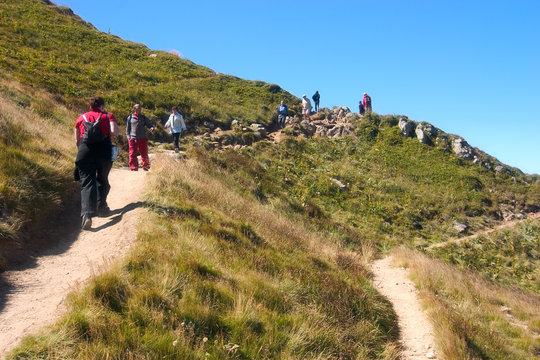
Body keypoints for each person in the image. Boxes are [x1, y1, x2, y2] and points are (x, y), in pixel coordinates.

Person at [74, 96, 119, 229]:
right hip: (103, 151)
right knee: (102, 179)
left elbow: (77, 140)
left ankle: (86, 215)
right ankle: (102, 206)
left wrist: (82, 151)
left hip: (85, 151)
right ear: (102, 106)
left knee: (87, 182)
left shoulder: (82, 118)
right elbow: (114, 132)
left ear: (90, 106)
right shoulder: (108, 115)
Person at [126, 103, 154, 171]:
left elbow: (149, 124)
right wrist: (128, 137)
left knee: (144, 153)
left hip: (143, 138)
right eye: (138, 108)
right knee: (132, 153)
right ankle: (133, 167)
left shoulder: (144, 117)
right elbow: (128, 129)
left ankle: (146, 166)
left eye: (140, 108)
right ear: (134, 109)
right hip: (133, 138)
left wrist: (151, 128)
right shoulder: (130, 118)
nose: (140, 109)